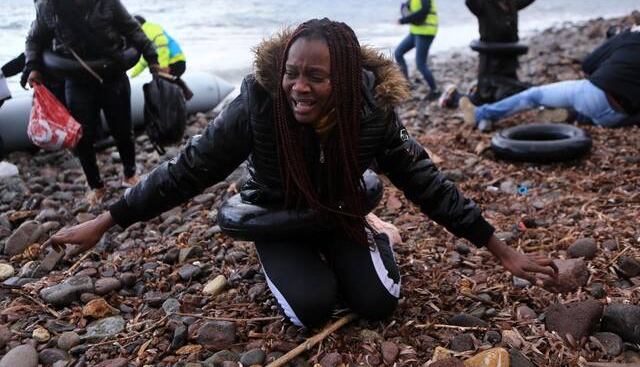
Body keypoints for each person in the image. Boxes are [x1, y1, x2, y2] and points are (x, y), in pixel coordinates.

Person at [45, 19, 556, 329]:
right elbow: (189, 169)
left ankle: (376, 237)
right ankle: (306, 256)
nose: (299, 87)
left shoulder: (372, 115)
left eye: (316, 76)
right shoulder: (258, 107)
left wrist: (500, 249)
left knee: (378, 306)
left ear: (347, 80)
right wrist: (108, 221)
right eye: (292, 72)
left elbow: (427, 183)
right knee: (309, 310)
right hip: (276, 215)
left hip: (339, 210)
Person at [24, 0, 161, 204]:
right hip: (77, 80)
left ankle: (130, 174)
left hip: (112, 75)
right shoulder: (50, 10)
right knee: (81, 135)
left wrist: (152, 58)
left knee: (122, 128)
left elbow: (132, 29)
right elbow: (34, 39)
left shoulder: (106, 0)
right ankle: (95, 185)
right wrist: (32, 66)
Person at [460, 27, 640, 130]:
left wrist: (617, 41)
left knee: (533, 95)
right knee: (587, 108)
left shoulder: (630, 36)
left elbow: (588, 65)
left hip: (595, 97)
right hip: (616, 118)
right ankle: (567, 115)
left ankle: (480, 114)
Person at [465, 0, 547, 104]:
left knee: (510, 87)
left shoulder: (511, 5)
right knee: (487, 92)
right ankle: (471, 102)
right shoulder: (482, 7)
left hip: (509, 56)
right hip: (490, 59)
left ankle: (511, 104)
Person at [394, 0, 439, 100]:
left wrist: (403, 20)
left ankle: (435, 90)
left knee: (420, 64)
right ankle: (406, 85)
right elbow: (414, 9)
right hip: (416, 30)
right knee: (399, 52)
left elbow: (424, 10)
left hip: (425, 31)